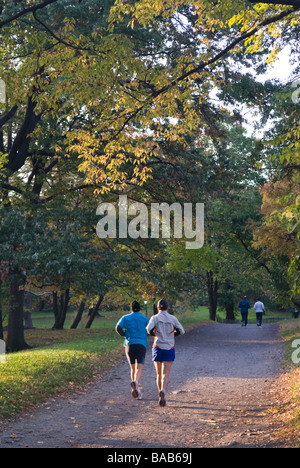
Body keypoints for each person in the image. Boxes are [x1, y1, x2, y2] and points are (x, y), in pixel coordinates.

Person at [147, 299, 185, 407]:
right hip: (169, 347)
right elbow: (181, 330)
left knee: (158, 373)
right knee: (166, 374)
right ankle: (163, 390)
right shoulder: (173, 318)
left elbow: (148, 329)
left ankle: (160, 394)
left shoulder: (155, 318)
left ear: (158, 308)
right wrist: (173, 335)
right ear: (168, 308)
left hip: (158, 346)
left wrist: (154, 334)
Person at [115, 301, 149, 400]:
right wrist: (145, 334)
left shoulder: (125, 318)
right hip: (141, 344)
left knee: (132, 367)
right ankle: (136, 383)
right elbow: (149, 329)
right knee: (140, 367)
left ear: (131, 308)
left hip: (129, 344)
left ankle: (136, 390)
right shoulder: (144, 318)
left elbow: (118, 327)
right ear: (140, 308)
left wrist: (124, 334)